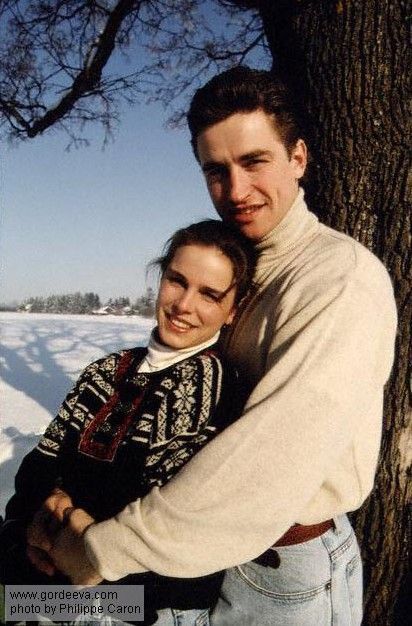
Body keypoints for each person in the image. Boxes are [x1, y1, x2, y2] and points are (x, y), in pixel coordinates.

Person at [27, 67, 397, 625]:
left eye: (254, 162)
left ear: (298, 157)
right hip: (192, 554)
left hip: (279, 573)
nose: (236, 190)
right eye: (216, 170)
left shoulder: (338, 278)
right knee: (30, 604)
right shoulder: (230, 282)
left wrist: (105, 550)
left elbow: (273, 454)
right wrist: (50, 505)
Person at [2, 219, 257, 625]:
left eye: (209, 294)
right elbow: (43, 460)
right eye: (177, 281)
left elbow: (169, 525)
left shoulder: (219, 390)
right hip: (50, 584)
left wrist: (74, 533)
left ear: (232, 311)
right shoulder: (107, 370)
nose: (183, 305)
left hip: (138, 607)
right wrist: (36, 516)